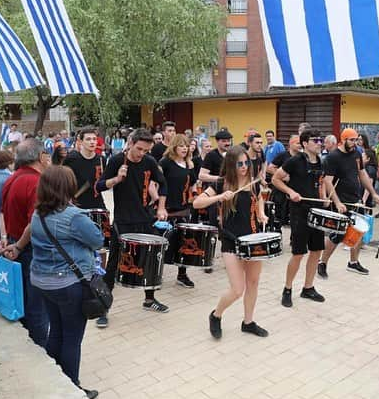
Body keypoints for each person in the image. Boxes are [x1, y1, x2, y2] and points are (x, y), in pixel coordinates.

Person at [30, 166, 103, 399]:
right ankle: (71, 388)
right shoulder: (73, 216)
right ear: (69, 187)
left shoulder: (37, 213)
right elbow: (97, 240)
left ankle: (53, 379)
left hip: (42, 281)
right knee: (72, 337)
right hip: (67, 284)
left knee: (56, 332)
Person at [193, 146, 269, 339]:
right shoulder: (221, 184)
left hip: (252, 240)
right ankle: (216, 315)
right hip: (230, 239)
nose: (244, 167)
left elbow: (259, 199)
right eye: (239, 164)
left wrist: (261, 213)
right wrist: (220, 197)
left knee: (253, 283)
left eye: (246, 163)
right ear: (231, 165)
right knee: (237, 289)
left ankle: (248, 322)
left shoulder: (254, 183)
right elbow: (197, 203)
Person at [96, 129, 168, 326]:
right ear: (130, 143)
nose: (141, 153)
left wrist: (161, 207)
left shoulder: (150, 162)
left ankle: (149, 299)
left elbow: (163, 184)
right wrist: (117, 179)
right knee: (112, 266)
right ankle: (103, 308)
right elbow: (100, 186)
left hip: (145, 218)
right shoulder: (117, 161)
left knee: (150, 260)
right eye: (139, 149)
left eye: (146, 150)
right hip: (123, 220)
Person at [0, 139, 52, 347]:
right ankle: (40, 350)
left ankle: (29, 344)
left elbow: (2, 212)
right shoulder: (36, 181)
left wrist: (8, 240)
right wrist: (20, 245)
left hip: (16, 244)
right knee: (37, 306)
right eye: (47, 155)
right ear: (41, 157)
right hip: (28, 248)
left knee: (24, 302)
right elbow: (35, 221)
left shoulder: (11, 178)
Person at [272, 129, 327, 308]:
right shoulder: (294, 161)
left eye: (321, 140)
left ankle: (308, 287)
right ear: (305, 143)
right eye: (315, 140)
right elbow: (276, 179)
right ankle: (287, 289)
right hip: (299, 212)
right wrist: (291, 192)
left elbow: (320, 182)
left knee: (316, 251)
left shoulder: (320, 162)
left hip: (316, 212)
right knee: (298, 253)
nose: (319, 142)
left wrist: (324, 197)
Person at [318, 128, 379, 278]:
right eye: (351, 140)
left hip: (356, 200)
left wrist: (373, 193)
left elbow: (362, 174)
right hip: (340, 202)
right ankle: (322, 262)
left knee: (359, 231)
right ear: (343, 139)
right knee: (337, 235)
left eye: (356, 140)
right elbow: (327, 181)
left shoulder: (357, 154)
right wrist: (338, 203)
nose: (354, 143)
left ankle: (353, 262)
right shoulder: (333, 157)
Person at [159, 134, 197, 288]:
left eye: (186, 146)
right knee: (162, 243)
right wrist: (159, 204)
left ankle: (182, 274)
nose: (184, 148)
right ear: (174, 146)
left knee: (184, 243)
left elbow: (193, 183)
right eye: (181, 145)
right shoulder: (165, 162)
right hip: (166, 209)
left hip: (183, 209)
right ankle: (156, 274)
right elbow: (155, 183)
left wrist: (194, 195)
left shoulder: (189, 165)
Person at [63, 127, 106, 211]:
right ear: (81, 142)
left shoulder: (101, 159)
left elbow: (102, 184)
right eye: (88, 139)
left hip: (97, 204)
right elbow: (63, 182)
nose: (92, 142)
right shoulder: (71, 159)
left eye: (94, 139)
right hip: (77, 205)